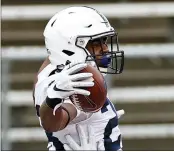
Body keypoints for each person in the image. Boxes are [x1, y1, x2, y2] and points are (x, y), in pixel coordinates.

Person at [33, 6, 125, 150]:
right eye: (96, 43)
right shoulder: (76, 84)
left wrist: (102, 119)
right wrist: (54, 98)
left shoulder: (49, 71)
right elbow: (51, 123)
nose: (105, 49)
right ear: (70, 46)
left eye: (104, 41)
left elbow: (54, 52)